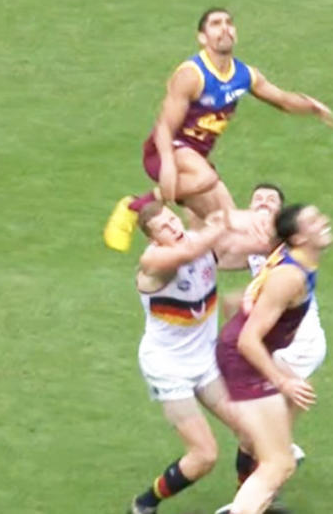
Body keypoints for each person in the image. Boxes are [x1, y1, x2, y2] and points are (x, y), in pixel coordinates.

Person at [103, 7, 333, 252]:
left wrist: (311, 106)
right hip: (168, 150)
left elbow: (282, 100)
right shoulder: (191, 75)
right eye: (215, 24)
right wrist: (169, 164)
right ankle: (136, 205)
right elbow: (164, 126)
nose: (224, 28)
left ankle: (196, 270)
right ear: (202, 37)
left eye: (229, 22)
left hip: (196, 160)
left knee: (228, 226)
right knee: (206, 178)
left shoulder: (245, 75)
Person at [127, 201, 263, 514]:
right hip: (168, 369)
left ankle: (249, 504)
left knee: (253, 434)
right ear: (153, 238)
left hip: (205, 362)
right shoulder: (154, 261)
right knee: (204, 456)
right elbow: (189, 253)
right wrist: (217, 225)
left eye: (172, 219)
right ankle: (144, 504)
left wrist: (274, 237)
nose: (173, 227)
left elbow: (242, 249)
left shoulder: (197, 243)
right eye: (163, 227)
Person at [215, 204, 333, 514]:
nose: (323, 221)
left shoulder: (296, 259)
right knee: (277, 464)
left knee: (276, 461)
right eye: (313, 221)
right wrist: (282, 380)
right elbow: (248, 340)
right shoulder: (290, 276)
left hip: (252, 356)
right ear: (297, 237)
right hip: (244, 360)